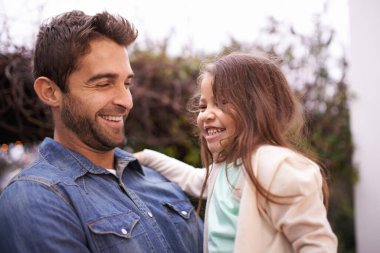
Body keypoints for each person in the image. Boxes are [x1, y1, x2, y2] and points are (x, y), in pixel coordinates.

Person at [0, 10, 203, 253]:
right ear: (50, 92)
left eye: (126, 84)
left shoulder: (156, 178)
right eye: (103, 83)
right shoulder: (35, 198)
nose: (126, 101)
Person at [135, 52, 338, 253]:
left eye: (222, 103)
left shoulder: (277, 166)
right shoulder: (225, 168)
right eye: (203, 106)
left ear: (259, 108)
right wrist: (145, 157)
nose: (206, 114)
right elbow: (192, 177)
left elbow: (316, 243)